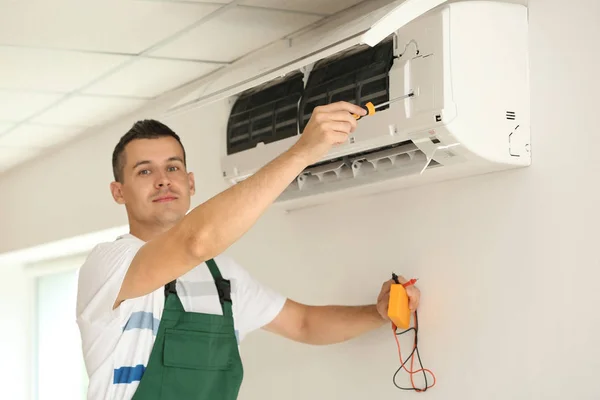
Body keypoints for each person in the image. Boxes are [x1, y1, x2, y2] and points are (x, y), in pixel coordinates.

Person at [75, 101, 421, 400]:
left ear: (190, 182)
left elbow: (304, 324)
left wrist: (377, 313)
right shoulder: (108, 265)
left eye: (173, 167)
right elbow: (195, 241)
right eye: (145, 171)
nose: (163, 179)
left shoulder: (222, 277)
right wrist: (303, 152)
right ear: (118, 192)